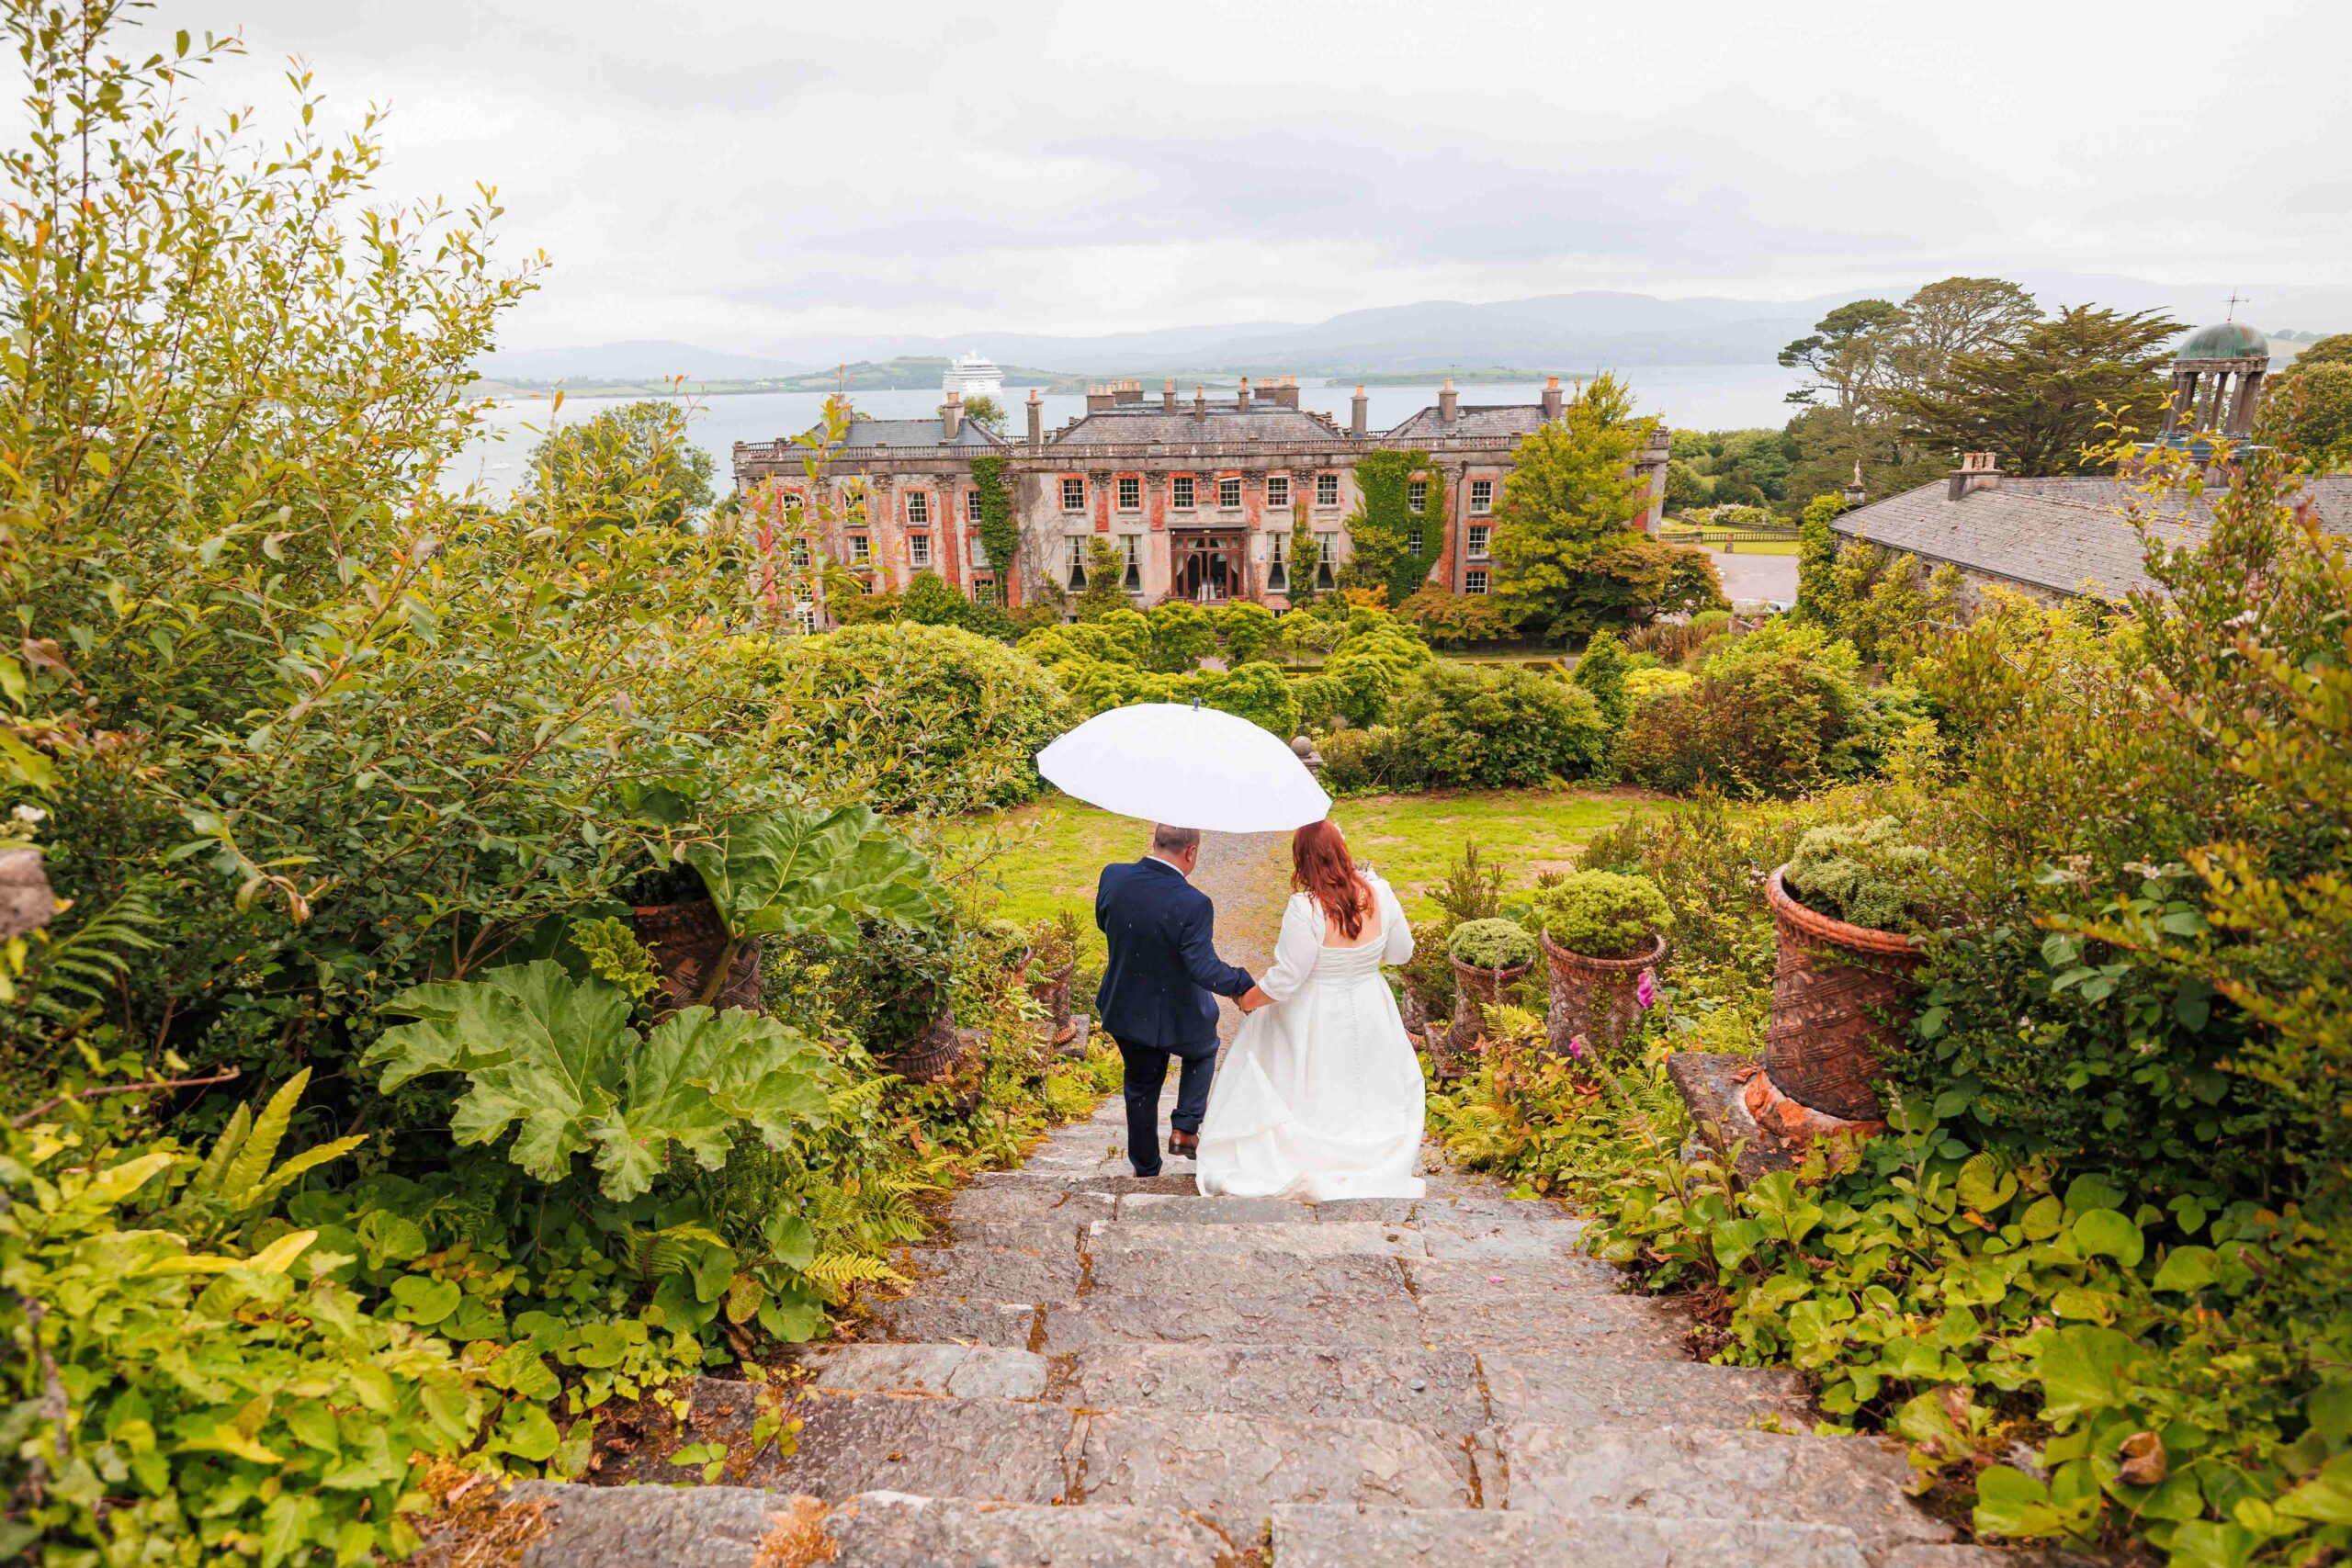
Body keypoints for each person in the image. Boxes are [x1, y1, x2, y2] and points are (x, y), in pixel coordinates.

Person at [1194, 819, 1424, 1201]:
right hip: (1370, 1003)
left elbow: (1288, 977)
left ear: (1303, 861)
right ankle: (1367, 1155)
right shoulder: (1381, 893)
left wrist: (1248, 999)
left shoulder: (1306, 908)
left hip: (1315, 1011)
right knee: (1366, 1079)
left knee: (1312, 1079)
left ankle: (1309, 1153)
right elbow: (1400, 953)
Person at [1093, 823, 1261, 1177]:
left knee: (1140, 1085)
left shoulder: (1113, 876)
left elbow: (1104, 922)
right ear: (1191, 853)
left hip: (1124, 1006)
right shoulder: (1193, 903)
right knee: (1203, 1048)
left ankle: (1145, 1168)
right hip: (1177, 1014)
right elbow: (1203, 968)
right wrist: (1242, 983)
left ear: (1153, 843)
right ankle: (1185, 1128)